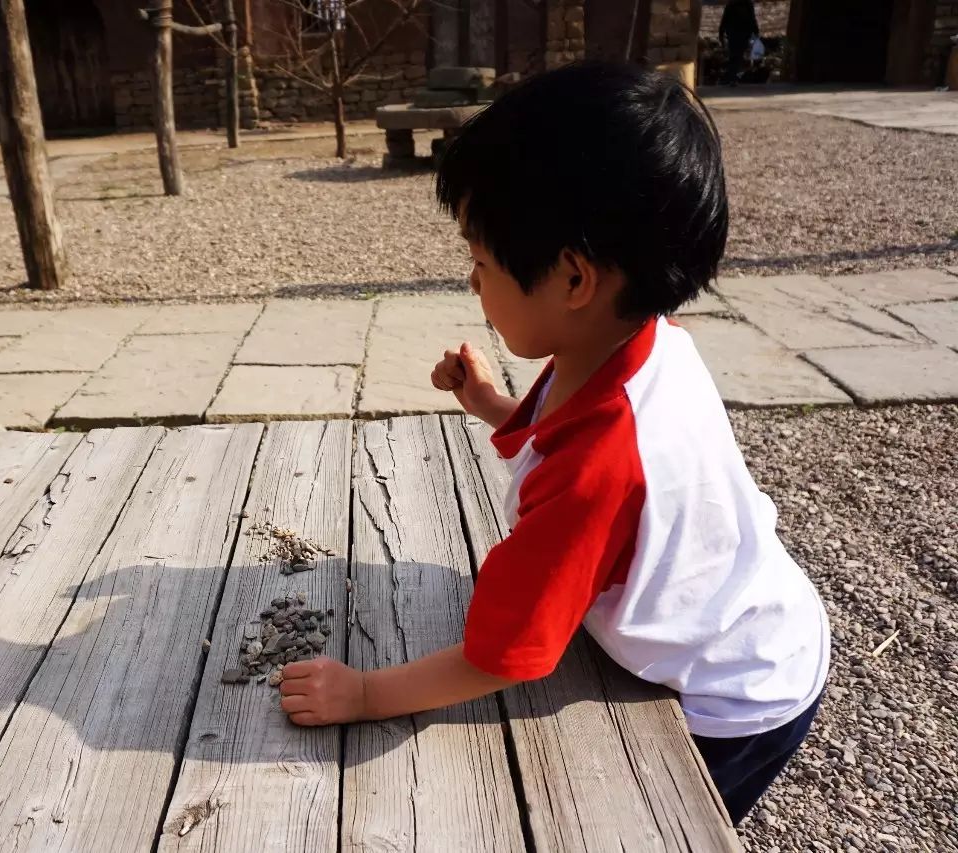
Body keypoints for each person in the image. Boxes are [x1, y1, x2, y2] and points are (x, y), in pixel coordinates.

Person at [277, 62, 829, 826]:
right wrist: (492, 404)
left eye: (480, 261)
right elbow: (574, 438)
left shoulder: (596, 467)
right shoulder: (639, 340)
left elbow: (507, 652)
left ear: (573, 278)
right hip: (764, 615)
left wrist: (367, 693)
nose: (472, 282)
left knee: (659, 828)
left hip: (735, 693)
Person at [720, 0, 761, 86]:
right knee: (737, 56)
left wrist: (721, 34)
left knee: (734, 56)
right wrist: (756, 32)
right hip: (742, 34)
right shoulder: (747, 4)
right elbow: (752, 19)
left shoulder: (732, 5)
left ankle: (732, 77)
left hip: (734, 34)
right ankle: (733, 77)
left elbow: (724, 20)